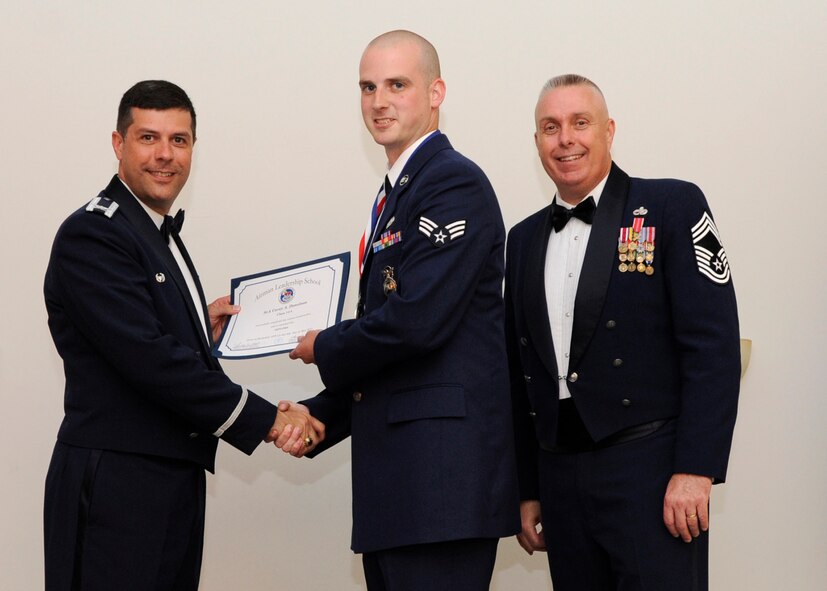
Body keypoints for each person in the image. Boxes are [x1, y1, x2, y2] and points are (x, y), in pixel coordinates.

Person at [43, 80, 323, 590]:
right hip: (118, 485)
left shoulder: (150, 230)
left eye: (179, 140)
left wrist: (197, 325)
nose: (165, 155)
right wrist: (267, 419)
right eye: (148, 138)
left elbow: (144, 333)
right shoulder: (94, 233)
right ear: (118, 143)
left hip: (168, 478)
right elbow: (150, 359)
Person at [284, 30, 520, 590]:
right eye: (368, 87)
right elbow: (394, 355)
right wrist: (320, 415)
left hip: (440, 489)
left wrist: (324, 345)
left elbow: (416, 323)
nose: (379, 101)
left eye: (397, 85)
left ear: (436, 93)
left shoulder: (452, 182)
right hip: (403, 493)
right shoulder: (398, 192)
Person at [504, 73, 740, 590]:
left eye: (580, 123)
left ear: (608, 130)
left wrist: (696, 469)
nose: (565, 139)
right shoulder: (521, 240)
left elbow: (712, 348)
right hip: (559, 478)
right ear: (537, 142)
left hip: (651, 473)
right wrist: (528, 487)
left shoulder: (672, 206)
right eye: (550, 127)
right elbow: (519, 374)